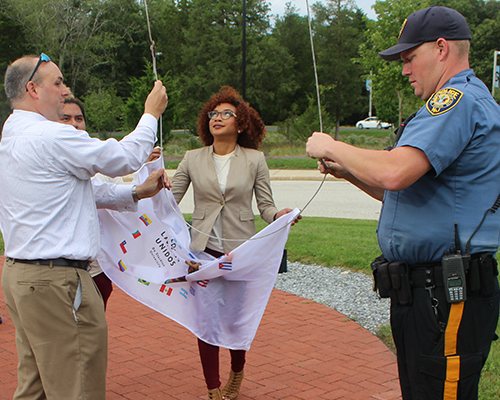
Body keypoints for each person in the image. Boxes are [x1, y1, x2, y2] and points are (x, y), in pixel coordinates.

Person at [307, 6, 500, 400]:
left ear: (442, 48)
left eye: (410, 57)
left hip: (446, 294)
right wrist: (352, 173)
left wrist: (332, 146)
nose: (404, 69)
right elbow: (404, 191)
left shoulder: (456, 100)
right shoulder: (459, 101)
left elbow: (395, 172)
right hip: (430, 295)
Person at [0, 53, 169, 399]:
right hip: (56, 281)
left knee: (35, 387)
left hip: (22, 275)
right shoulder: (50, 136)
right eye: (57, 82)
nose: (65, 90)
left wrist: (135, 192)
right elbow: (124, 156)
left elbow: (81, 191)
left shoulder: (12, 133)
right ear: (32, 88)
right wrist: (151, 113)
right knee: (78, 386)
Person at [172, 86, 300, 400]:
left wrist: (279, 216)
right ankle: (213, 389)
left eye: (226, 114)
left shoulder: (255, 160)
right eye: (213, 114)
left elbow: (266, 206)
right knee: (207, 321)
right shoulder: (191, 158)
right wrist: (152, 181)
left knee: (238, 319)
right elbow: (169, 203)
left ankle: (237, 369)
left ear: (240, 123)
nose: (217, 118)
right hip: (202, 253)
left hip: (242, 252)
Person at [59, 96, 162, 309]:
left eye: (78, 118)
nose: (74, 123)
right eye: (65, 118)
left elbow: (115, 194)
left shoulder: (95, 158)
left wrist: (144, 173)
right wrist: (151, 113)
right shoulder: (52, 160)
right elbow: (100, 192)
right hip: (60, 269)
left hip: (97, 265)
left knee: (92, 332)